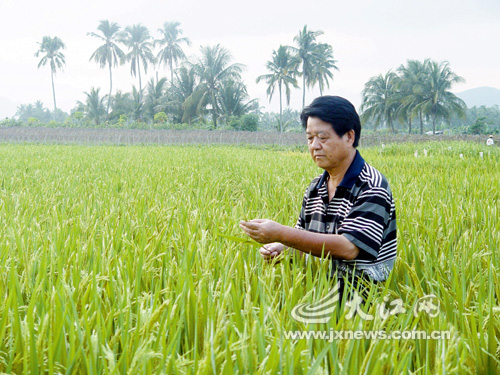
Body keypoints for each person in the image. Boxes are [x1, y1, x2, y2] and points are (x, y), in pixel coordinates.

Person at [240, 96, 397, 301]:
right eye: (309, 138)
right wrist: (281, 248)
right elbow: (303, 241)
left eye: (322, 138)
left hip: (362, 306)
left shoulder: (371, 185)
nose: (314, 146)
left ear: (349, 137)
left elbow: (349, 248)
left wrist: (280, 233)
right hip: (319, 295)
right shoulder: (315, 187)